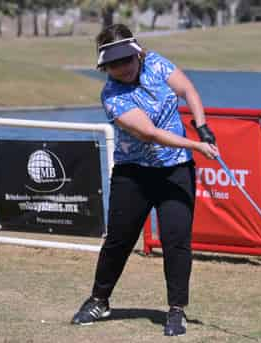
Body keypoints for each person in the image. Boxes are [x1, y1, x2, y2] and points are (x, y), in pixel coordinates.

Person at [71, 23, 219, 336]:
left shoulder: (156, 63)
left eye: (126, 60)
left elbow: (188, 90)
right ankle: (100, 299)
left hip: (176, 170)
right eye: (113, 64)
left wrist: (202, 125)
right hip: (133, 174)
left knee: (176, 240)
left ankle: (176, 310)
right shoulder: (112, 96)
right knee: (119, 241)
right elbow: (150, 134)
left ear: (138, 53)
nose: (122, 68)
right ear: (104, 66)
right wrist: (197, 144)